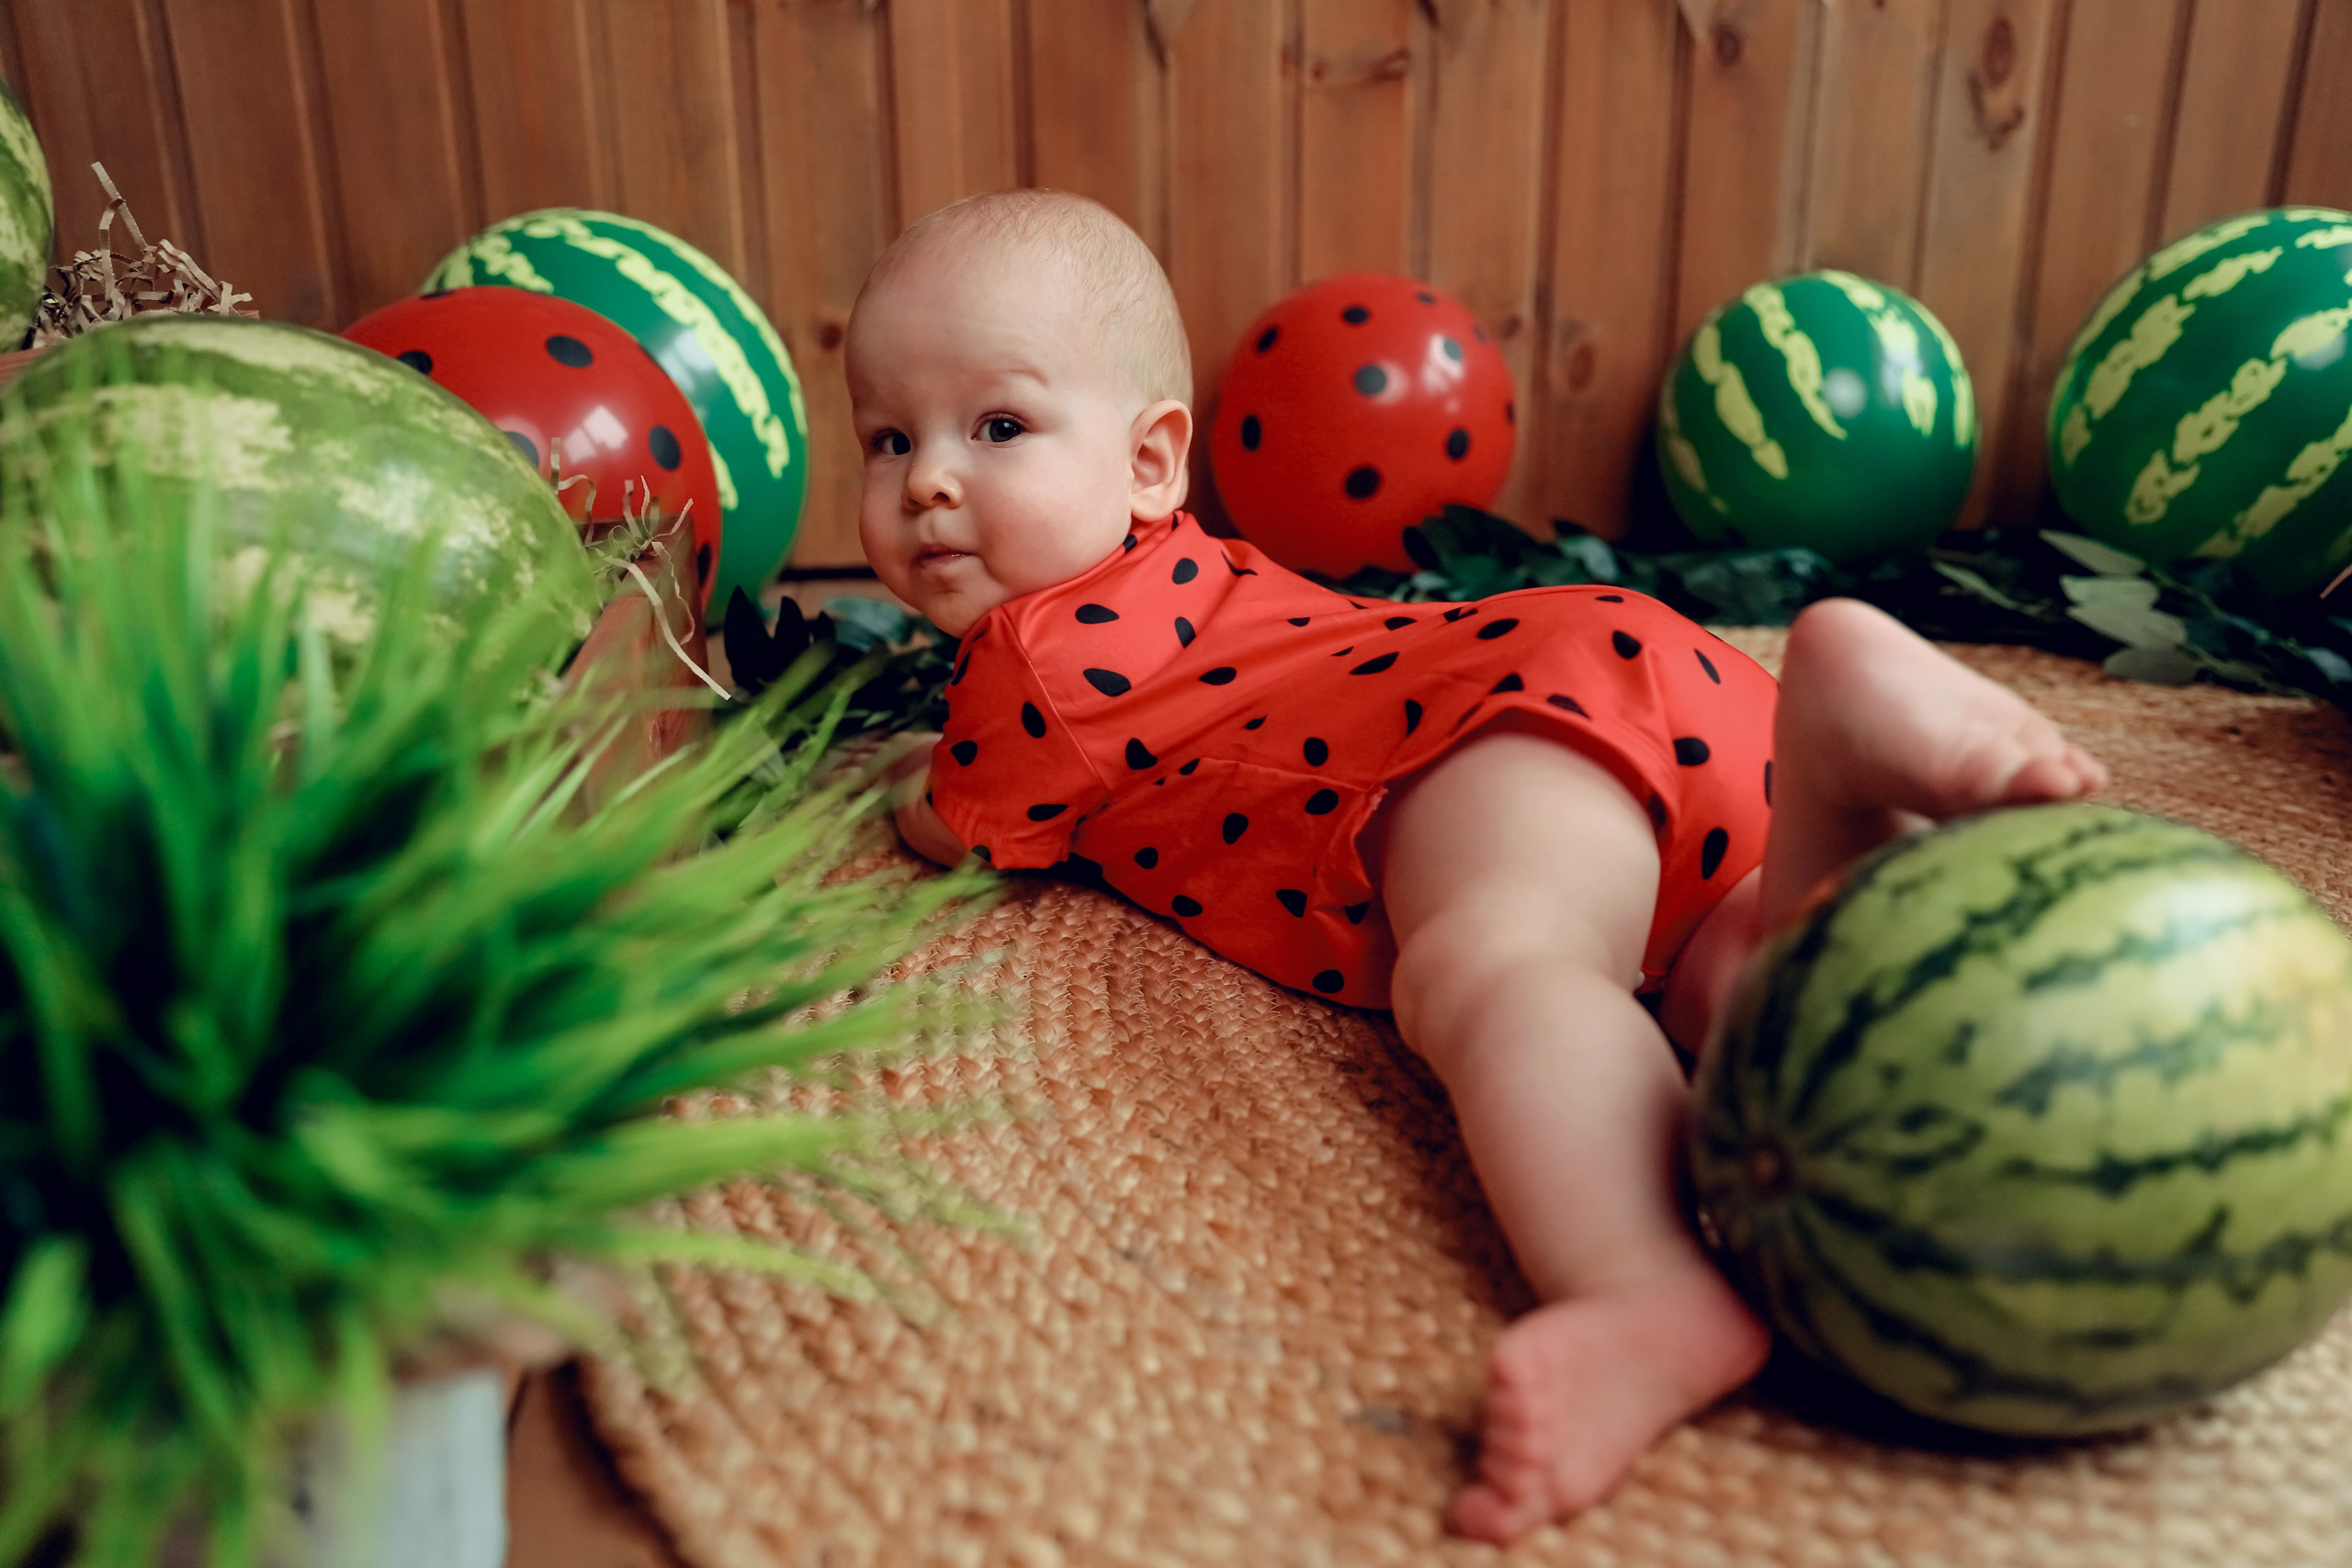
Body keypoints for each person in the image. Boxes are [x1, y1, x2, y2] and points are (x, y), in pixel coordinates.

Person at [847, 188, 2108, 1542]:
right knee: (1727, 966)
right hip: (1636, 674)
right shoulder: (1194, 576)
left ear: (1155, 464)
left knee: (1498, 962)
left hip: (1459, 741)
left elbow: (958, 818)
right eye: (886, 436)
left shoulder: (1034, 665)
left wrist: (891, 778)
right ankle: (1836, 776)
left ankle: (1643, 1284)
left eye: (997, 429)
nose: (928, 481)